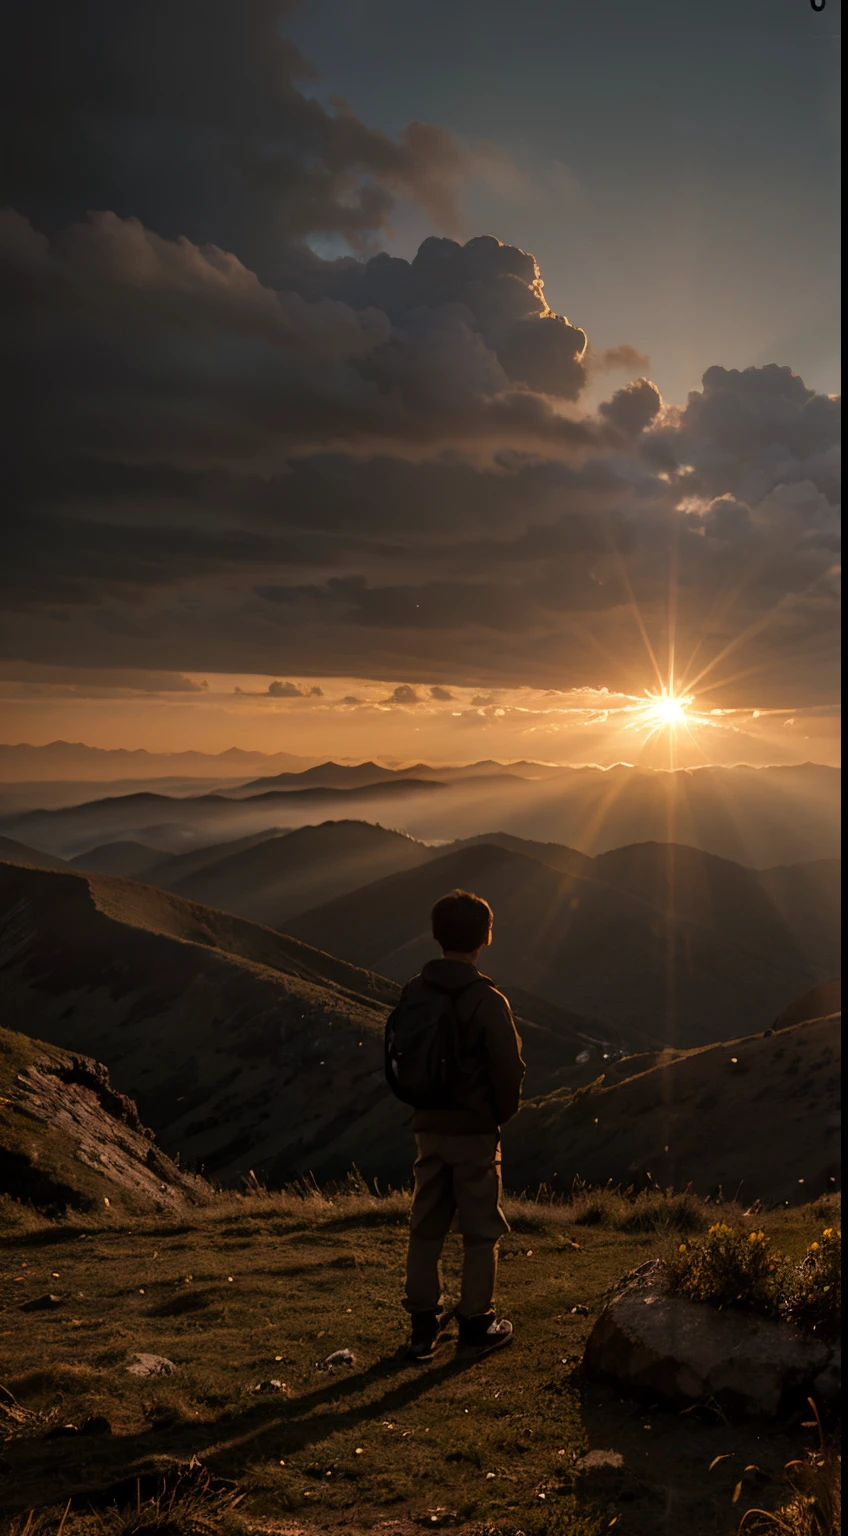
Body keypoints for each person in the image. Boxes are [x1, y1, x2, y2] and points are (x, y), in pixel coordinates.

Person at [398, 888, 525, 1361]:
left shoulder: (415, 990)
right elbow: (509, 1069)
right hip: (474, 1132)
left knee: (426, 1224)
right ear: (486, 937)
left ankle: (421, 1327)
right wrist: (496, 1115)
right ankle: (476, 1321)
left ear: (436, 936)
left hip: (427, 1125)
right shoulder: (487, 999)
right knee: (480, 1229)